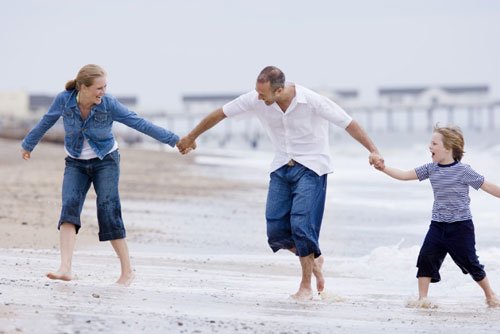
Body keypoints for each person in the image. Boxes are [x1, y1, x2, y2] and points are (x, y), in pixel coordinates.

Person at [177, 65, 384, 300]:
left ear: (278, 90)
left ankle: (305, 285)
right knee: (275, 232)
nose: (258, 97)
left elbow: (348, 123)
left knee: (301, 226)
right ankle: (314, 258)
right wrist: (191, 137)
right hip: (281, 167)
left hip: (312, 168)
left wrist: (374, 151)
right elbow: (220, 113)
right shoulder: (256, 98)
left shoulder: (312, 101)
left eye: (262, 93)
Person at [21, 64, 180, 286]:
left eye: (105, 87)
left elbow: (139, 123)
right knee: (69, 207)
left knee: (108, 209)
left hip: (106, 161)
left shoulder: (109, 104)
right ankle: (65, 268)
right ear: (83, 87)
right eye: (99, 88)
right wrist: (28, 145)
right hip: (75, 162)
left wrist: (175, 140)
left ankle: (127, 272)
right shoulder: (64, 100)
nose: (103, 92)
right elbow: (46, 121)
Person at [374, 125, 500, 308]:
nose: (429, 147)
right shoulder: (431, 169)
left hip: (461, 227)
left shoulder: (464, 171)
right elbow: (403, 175)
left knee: (471, 263)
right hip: (438, 225)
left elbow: (488, 186)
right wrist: (383, 168)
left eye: (434, 143)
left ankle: (490, 296)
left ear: (448, 148)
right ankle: (422, 299)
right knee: (426, 257)